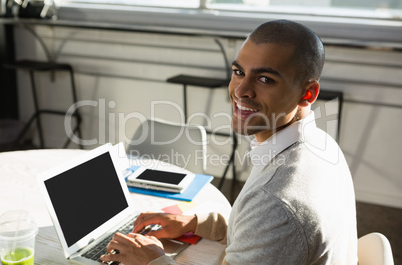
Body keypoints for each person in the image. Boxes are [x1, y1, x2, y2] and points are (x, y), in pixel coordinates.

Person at [100, 19, 358, 265]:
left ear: (307, 93)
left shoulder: (276, 201)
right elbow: (259, 231)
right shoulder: (319, 144)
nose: (240, 90)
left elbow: (272, 217)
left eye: (265, 79)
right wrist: (193, 223)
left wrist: (153, 260)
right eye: (238, 72)